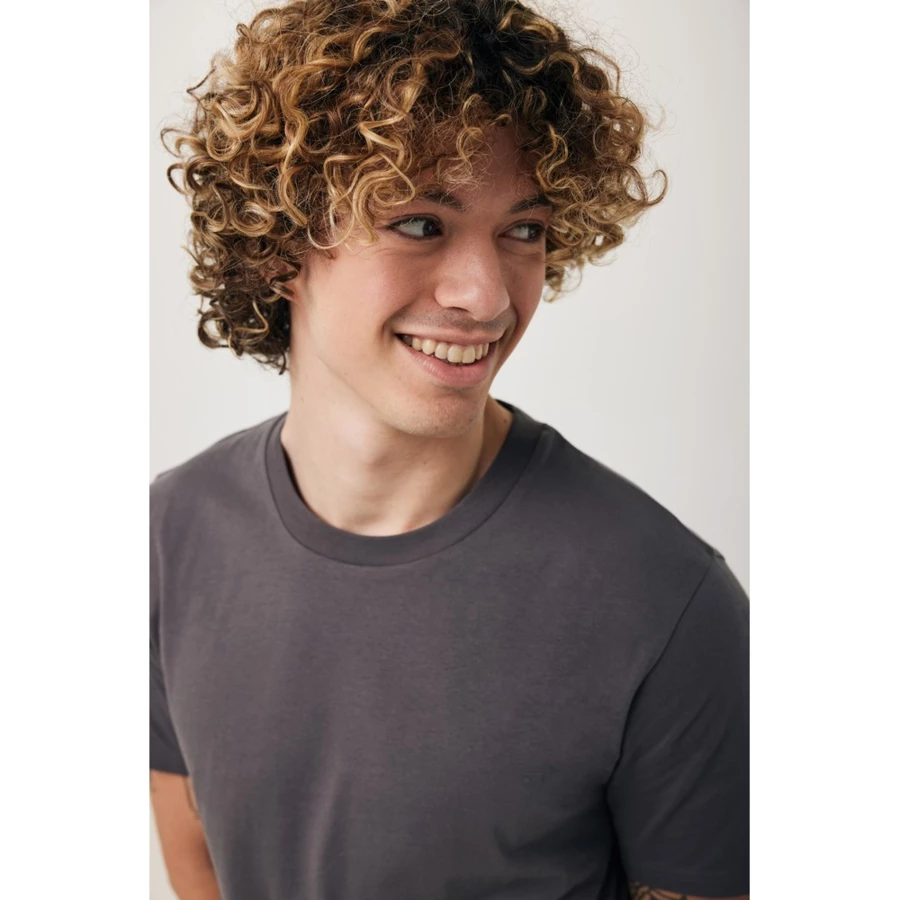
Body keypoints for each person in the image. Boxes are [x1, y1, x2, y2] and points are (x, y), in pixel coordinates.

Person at [150, 1, 749, 898]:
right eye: (421, 223)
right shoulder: (169, 537)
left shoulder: (664, 602)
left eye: (524, 231)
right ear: (281, 243)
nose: (487, 295)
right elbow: (199, 858)